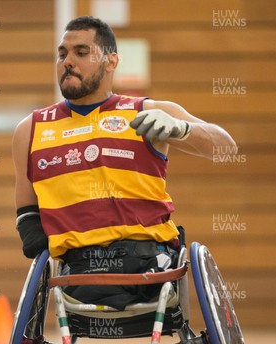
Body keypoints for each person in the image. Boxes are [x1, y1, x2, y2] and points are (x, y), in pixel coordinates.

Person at [12, 16, 237, 309]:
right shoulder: (31, 129)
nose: (68, 61)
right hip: (78, 277)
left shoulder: (147, 111)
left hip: (149, 268)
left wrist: (180, 127)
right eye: (62, 53)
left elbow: (226, 148)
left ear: (111, 61)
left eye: (81, 52)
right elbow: (28, 216)